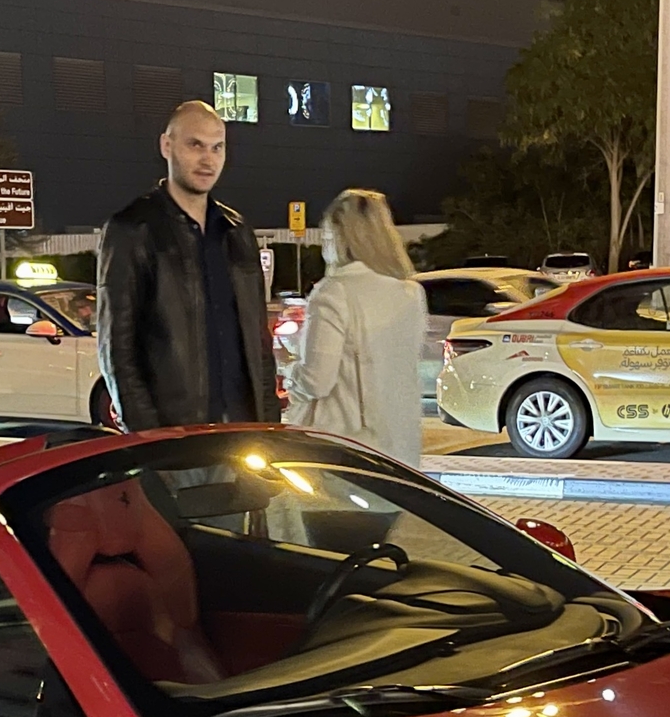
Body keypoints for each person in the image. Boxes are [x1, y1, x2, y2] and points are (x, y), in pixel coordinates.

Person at [96, 101, 278, 429]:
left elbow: (259, 343)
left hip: (244, 431)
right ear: (167, 145)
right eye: (195, 145)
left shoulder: (237, 231)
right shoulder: (133, 230)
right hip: (175, 435)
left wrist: (270, 426)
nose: (208, 159)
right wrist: (149, 436)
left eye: (217, 148)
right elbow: (117, 348)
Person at [282, 188, 425, 462]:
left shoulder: (333, 292)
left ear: (340, 238)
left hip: (345, 451)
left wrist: (288, 370)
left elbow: (316, 381)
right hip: (401, 452)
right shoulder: (411, 294)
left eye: (326, 237)